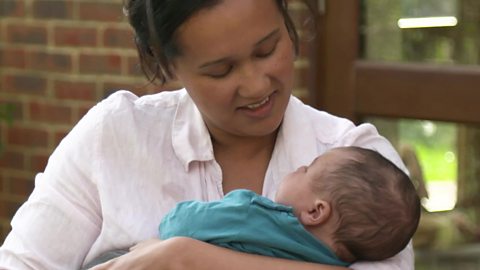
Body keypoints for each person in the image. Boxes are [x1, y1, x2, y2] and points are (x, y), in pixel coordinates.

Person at [0, 0, 415, 269]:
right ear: (166, 68)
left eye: (266, 49)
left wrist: (185, 256)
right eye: (221, 70)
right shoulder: (114, 136)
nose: (255, 85)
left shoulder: (356, 158)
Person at [82, 147, 420, 269]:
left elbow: (178, 226)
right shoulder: (333, 259)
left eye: (307, 169)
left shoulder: (254, 215)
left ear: (317, 212)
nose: (297, 168)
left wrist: (172, 242)